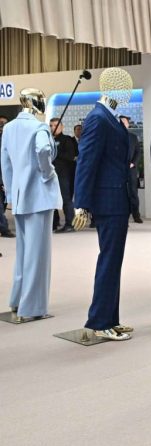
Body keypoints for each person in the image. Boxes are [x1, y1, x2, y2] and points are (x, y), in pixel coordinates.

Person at [73, 69, 134, 341]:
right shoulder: (98, 118)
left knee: (113, 261)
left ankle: (111, 318)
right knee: (109, 261)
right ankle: (99, 321)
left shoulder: (109, 116)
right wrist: (81, 203)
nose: (127, 91)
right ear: (109, 87)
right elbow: (87, 162)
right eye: (122, 86)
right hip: (108, 201)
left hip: (116, 199)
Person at [0, 88, 61, 321]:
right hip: (39, 195)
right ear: (35, 103)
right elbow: (44, 150)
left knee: (24, 251)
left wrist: (10, 193)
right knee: (38, 254)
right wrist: (48, 173)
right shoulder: (38, 127)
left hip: (19, 196)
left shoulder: (9, 128)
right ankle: (32, 308)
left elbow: (5, 163)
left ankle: (17, 300)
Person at [49, 117, 77, 233]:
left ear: (61, 127)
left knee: (66, 199)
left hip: (63, 174)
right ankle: (54, 223)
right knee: (51, 199)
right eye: (51, 125)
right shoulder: (47, 140)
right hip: (50, 174)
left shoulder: (67, 140)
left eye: (55, 125)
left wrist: (55, 153)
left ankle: (70, 224)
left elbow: (71, 156)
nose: (53, 128)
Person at [119, 116, 142, 223]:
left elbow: (138, 152)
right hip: (118, 170)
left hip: (131, 169)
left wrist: (133, 163)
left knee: (133, 193)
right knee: (120, 194)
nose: (123, 124)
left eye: (125, 123)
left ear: (128, 125)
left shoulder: (133, 137)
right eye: (121, 123)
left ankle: (136, 215)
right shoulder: (113, 137)